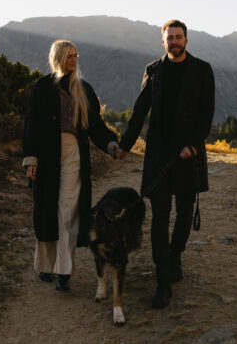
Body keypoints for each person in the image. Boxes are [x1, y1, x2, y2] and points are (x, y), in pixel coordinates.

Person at [117, 19, 215, 308]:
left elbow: (206, 113)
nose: (174, 41)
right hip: (159, 155)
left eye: (178, 37)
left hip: (187, 154)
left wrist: (194, 145)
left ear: (186, 39)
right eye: (169, 38)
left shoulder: (201, 70)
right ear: (163, 42)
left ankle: (175, 255)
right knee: (160, 217)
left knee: (184, 213)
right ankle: (162, 281)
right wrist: (124, 144)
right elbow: (139, 111)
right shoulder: (153, 70)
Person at [23, 39, 119, 291]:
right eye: (68, 56)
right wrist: (30, 158)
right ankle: (47, 265)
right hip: (46, 156)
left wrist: (112, 145)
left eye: (76, 56)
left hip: (74, 154)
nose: (74, 60)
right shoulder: (42, 87)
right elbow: (31, 125)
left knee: (68, 210)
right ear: (57, 58)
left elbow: (96, 126)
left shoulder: (84, 89)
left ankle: (64, 270)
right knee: (46, 210)